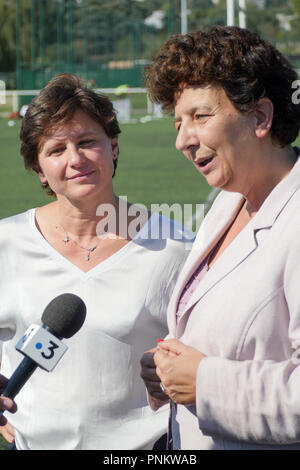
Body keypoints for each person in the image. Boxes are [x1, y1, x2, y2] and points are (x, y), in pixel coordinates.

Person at [0, 73, 193, 450]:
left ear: (114, 147)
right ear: (39, 169)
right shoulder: (6, 243)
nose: (75, 159)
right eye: (56, 150)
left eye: (88, 142)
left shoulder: (177, 248)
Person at [140, 25, 300, 450]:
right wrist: (170, 374)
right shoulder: (227, 202)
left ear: (261, 117)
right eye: (178, 122)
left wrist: (204, 382)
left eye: (200, 116)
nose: (181, 140)